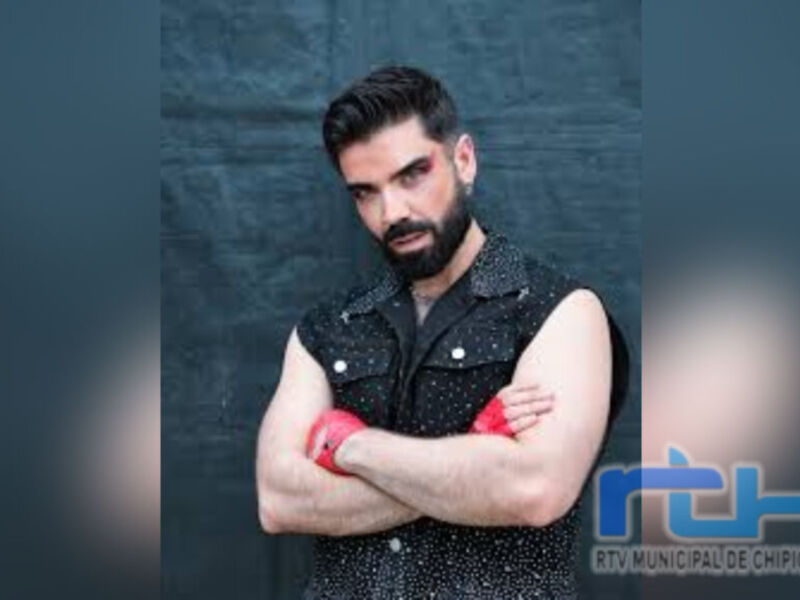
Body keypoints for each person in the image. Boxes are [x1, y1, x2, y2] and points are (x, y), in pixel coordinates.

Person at [256, 65, 626, 599]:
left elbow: (532, 489)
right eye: (365, 192)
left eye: (412, 175)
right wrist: (474, 454)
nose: (393, 212)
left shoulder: (559, 311)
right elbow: (279, 500)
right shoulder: (327, 328)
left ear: (464, 160)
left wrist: (348, 445)